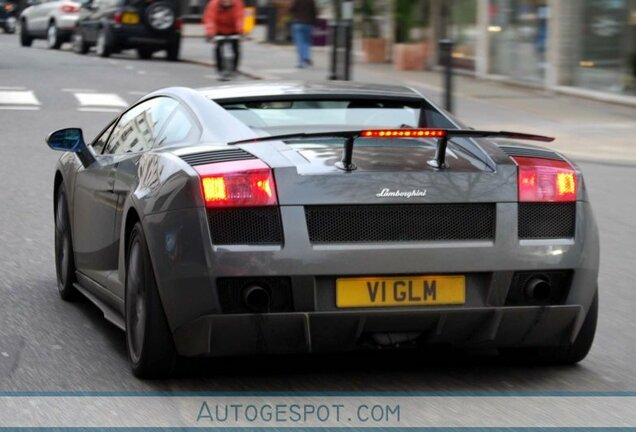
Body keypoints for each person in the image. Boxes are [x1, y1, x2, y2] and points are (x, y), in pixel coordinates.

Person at [202, 0, 245, 75]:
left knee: (236, 48)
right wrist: (210, 34)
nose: (226, 2)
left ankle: (234, 69)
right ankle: (219, 69)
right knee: (218, 48)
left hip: (233, 29)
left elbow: (239, 18)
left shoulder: (237, 3)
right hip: (219, 29)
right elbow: (210, 19)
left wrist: (241, 32)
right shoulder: (214, 4)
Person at [289, 0, 317, 68]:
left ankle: (300, 62)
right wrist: (314, 22)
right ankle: (306, 57)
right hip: (308, 24)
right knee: (306, 42)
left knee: (300, 43)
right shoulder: (311, 1)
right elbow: (314, 12)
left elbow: (291, 10)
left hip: (298, 23)